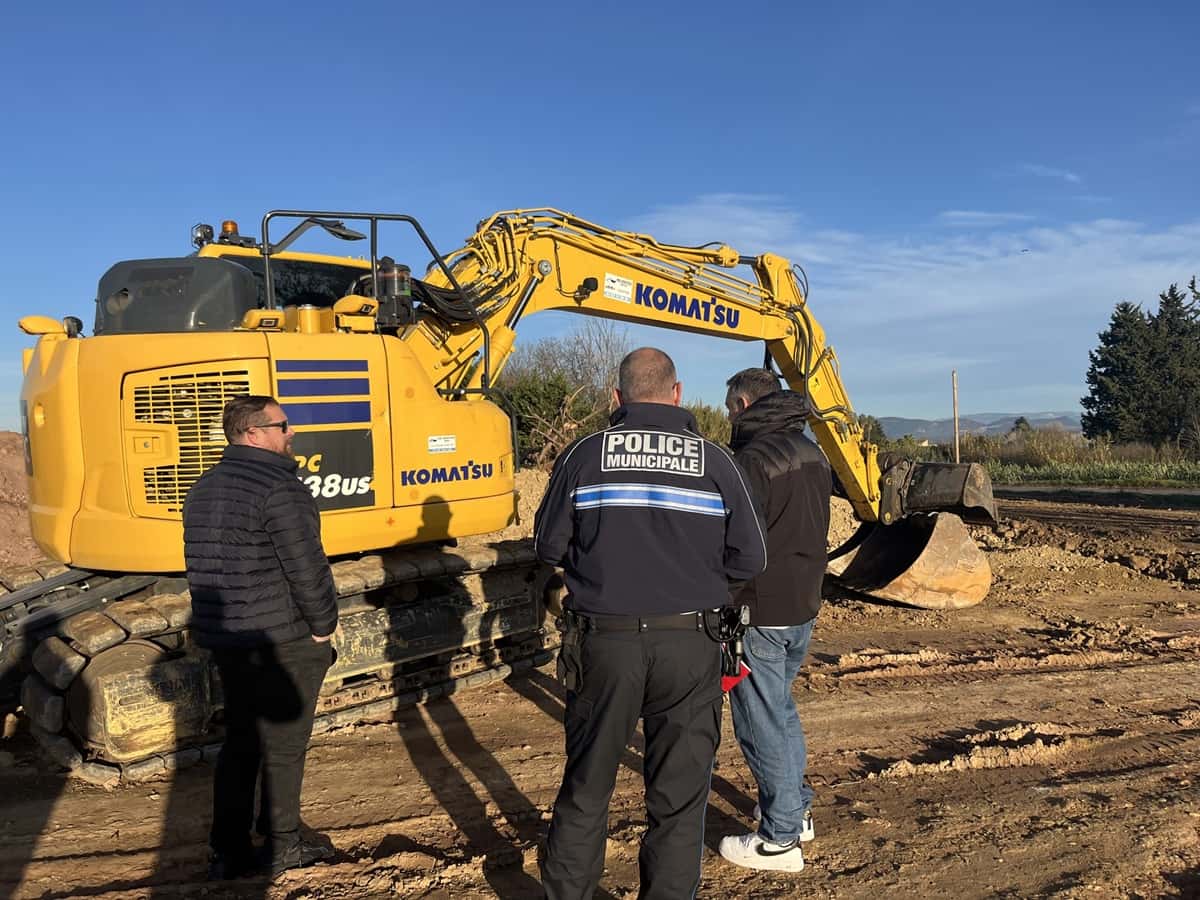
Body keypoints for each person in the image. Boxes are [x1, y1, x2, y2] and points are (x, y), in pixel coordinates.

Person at [534, 347, 767, 900]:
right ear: (678, 393)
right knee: (679, 803)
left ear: (616, 398)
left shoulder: (585, 454)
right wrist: (700, 582)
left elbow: (548, 545)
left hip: (604, 645)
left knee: (587, 789)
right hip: (691, 646)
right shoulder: (716, 462)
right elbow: (751, 557)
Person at [183, 395, 339, 880]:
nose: (291, 433)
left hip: (230, 639)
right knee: (285, 748)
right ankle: (282, 847)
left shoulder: (203, 487)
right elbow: (307, 569)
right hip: (282, 639)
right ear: (253, 433)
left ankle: (228, 850)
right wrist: (323, 627)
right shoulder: (280, 488)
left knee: (241, 743)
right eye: (283, 425)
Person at [716, 368, 832, 872]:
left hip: (760, 610)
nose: (726, 418)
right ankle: (796, 809)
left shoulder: (751, 462)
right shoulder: (813, 453)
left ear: (743, 405)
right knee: (780, 710)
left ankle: (780, 839)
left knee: (759, 721)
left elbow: (739, 544)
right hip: (803, 603)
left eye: (727, 409)